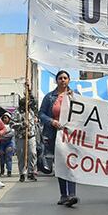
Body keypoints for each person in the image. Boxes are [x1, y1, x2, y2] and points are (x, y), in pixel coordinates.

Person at [40, 70, 78, 207]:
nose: (63, 80)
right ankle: (64, 195)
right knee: (61, 164)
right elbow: (41, 114)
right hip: (54, 135)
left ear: (69, 80)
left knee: (71, 163)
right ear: (56, 81)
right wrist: (51, 121)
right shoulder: (49, 97)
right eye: (60, 78)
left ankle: (72, 194)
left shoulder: (75, 96)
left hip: (71, 135)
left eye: (65, 78)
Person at [12, 98, 40, 182]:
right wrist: (22, 124)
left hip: (31, 136)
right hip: (20, 137)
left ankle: (31, 172)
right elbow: (12, 125)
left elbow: (34, 100)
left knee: (32, 153)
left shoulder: (31, 112)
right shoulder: (16, 113)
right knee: (21, 155)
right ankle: (22, 173)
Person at [0, 113, 16, 177]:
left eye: (6, 118)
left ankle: (9, 171)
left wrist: (2, 135)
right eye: (4, 118)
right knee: (1, 157)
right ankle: (2, 170)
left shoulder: (12, 125)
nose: (5, 119)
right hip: (1, 143)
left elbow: (11, 134)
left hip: (9, 143)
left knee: (8, 157)